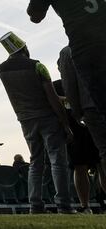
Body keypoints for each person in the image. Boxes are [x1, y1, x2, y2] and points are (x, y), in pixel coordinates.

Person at [0, 32, 74, 214]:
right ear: (24, 47)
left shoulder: (1, 70)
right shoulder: (38, 67)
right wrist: (65, 124)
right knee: (57, 161)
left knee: (35, 162)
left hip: (25, 120)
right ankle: (64, 205)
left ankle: (35, 205)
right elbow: (53, 98)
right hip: (48, 118)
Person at [58, 46, 106, 184]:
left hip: (90, 107)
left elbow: (69, 85)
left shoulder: (67, 52)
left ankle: (85, 204)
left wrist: (76, 112)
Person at [53, 79, 102, 213]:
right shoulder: (57, 86)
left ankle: (87, 204)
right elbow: (53, 100)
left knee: (100, 165)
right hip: (75, 131)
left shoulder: (86, 82)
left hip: (91, 127)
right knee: (80, 166)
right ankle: (85, 205)